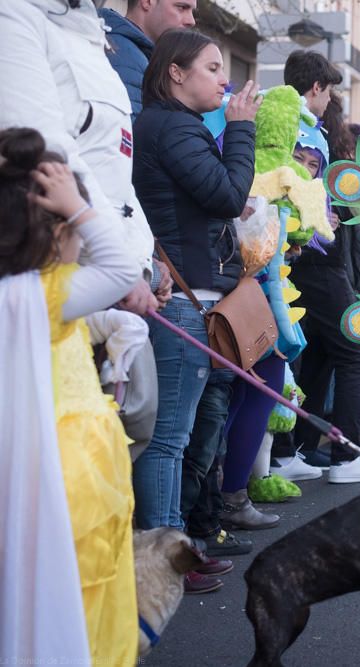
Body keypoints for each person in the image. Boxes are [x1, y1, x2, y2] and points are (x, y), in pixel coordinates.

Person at [0, 127, 138, 666]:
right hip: (68, 479)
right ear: (57, 231)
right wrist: (80, 206)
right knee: (84, 599)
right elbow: (122, 269)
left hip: (59, 471)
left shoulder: (35, 299)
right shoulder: (42, 293)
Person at [131, 29, 260, 529]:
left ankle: (181, 540)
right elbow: (227, 196)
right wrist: (242, 129)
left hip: (197, 293)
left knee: (191, 435)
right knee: (168, 439)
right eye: (212, 68)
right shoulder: (173, 129)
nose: (224, 80)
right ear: (176, 74)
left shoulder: (175, 125)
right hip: (187, 299)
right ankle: (165, 550)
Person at [0, 0, 162, 316]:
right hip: (53, 266)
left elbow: (115, 162)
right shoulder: (14, 15)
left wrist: (141, 257)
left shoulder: (88, 31)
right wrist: (120, 265)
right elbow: (48, 152)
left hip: (105, 277)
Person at [287, 85, 360, 481]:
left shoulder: (315, 142)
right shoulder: (312, 138)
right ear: (316, 91)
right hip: (321, 263)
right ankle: (345, 456)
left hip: (325, 262)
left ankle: (298, 448)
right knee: (351, 350)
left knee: (320, 357)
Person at [100, 0, 197, 122]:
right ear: (147, 2)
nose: (191, 21)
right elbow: (126, 136)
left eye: (192, 11)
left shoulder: (139, 54)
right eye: (182, 7)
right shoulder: (125, 56)